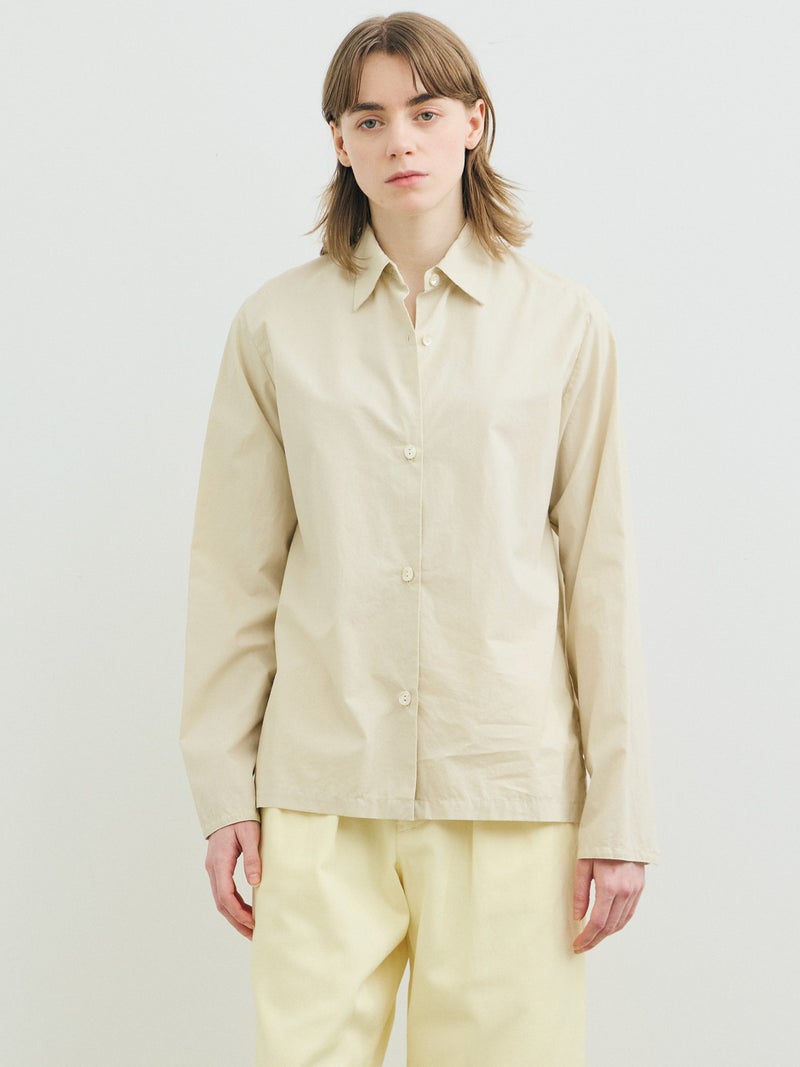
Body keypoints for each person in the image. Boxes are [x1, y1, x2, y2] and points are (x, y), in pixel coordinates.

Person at [179, 10, 659, 1065]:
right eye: (370, 118)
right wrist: (222, 793)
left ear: (472, 124)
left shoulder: (563, 325)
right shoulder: (274, 328)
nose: (399, 139)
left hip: (508, 790)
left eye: (425, 112)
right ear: (339, 142)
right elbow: (235, 575)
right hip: (319, 791)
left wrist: (617, 813)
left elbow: (601, 576)